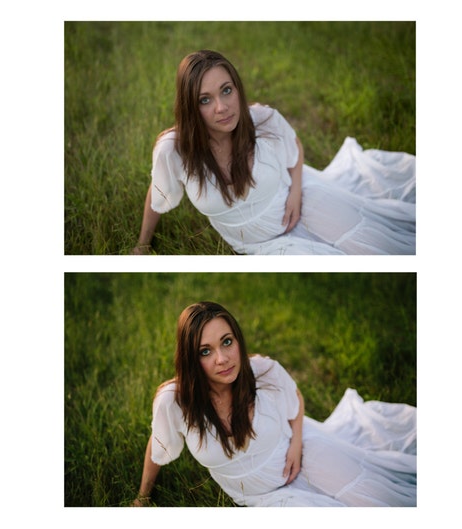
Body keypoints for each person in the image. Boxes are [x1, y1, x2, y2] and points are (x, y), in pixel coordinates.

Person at [132, 301, 416, 507]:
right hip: (265, 496)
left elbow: (296, 397)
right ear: (190, 358)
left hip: (302, 451)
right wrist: (142, 497)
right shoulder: (174, 401)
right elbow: (158, 443)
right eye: (205, 351)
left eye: (227, 342)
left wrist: (296, 445)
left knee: (375, 499)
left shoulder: (264, 370)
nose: (222, 358)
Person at [131, 50, 415, 255]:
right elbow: (158, 191)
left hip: (300, 198)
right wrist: (142, 244)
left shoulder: (263, 119)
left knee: (375, 246)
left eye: (226, 90)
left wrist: (295, 194)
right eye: (205, 100)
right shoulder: (174, 149)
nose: (222, 107)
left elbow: (295, 146)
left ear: (237, 89)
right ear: (190, 107)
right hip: (261, 244)